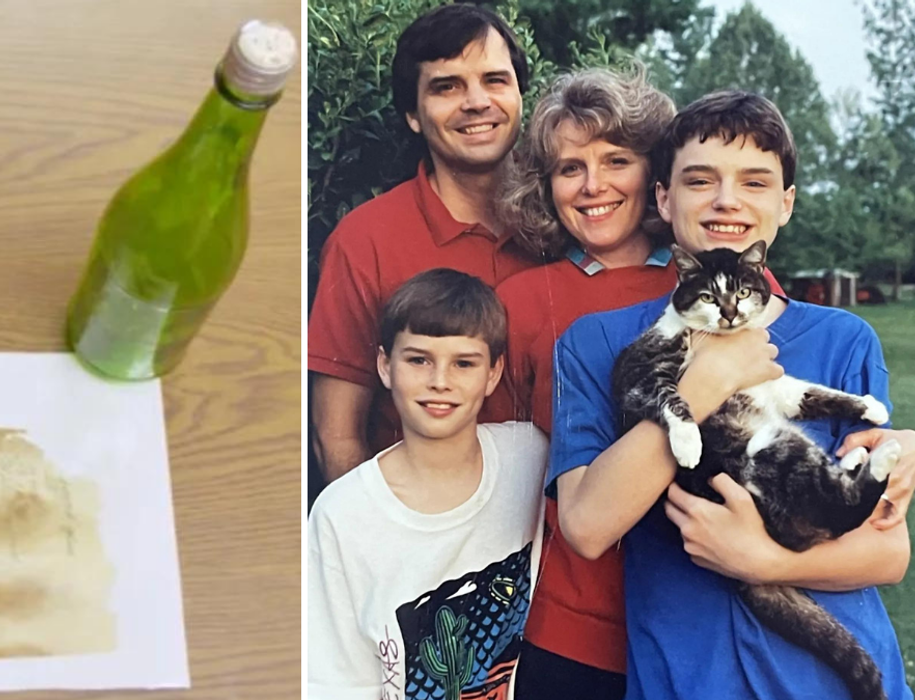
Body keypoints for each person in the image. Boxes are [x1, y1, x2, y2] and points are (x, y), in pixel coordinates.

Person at [548, 90, 915, 699]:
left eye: (755, 181)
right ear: (663, 197)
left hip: (832, 681)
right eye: (699, 180)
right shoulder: (597, 342)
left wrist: (768, 565)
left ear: (786, 203)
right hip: (690, 677)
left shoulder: (843, 338)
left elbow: (888, 552)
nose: (726, 199)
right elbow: (586, 526)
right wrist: (707, 381)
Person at [309, 3, 539, 484]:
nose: (477, 101)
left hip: (560, 540)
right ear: (413, 114)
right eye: (446, 86)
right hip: (421, 540)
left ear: (520, 94)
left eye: (495, 80)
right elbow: (337, 435)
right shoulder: (366, 239)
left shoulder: (565, 224)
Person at [307, 268, 547, 700]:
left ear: (494, 373)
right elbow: (336, 681)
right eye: (418, 360)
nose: (440, 381)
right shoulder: (341, 514)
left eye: (464, 363)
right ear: (385, 365)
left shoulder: (530, 457)